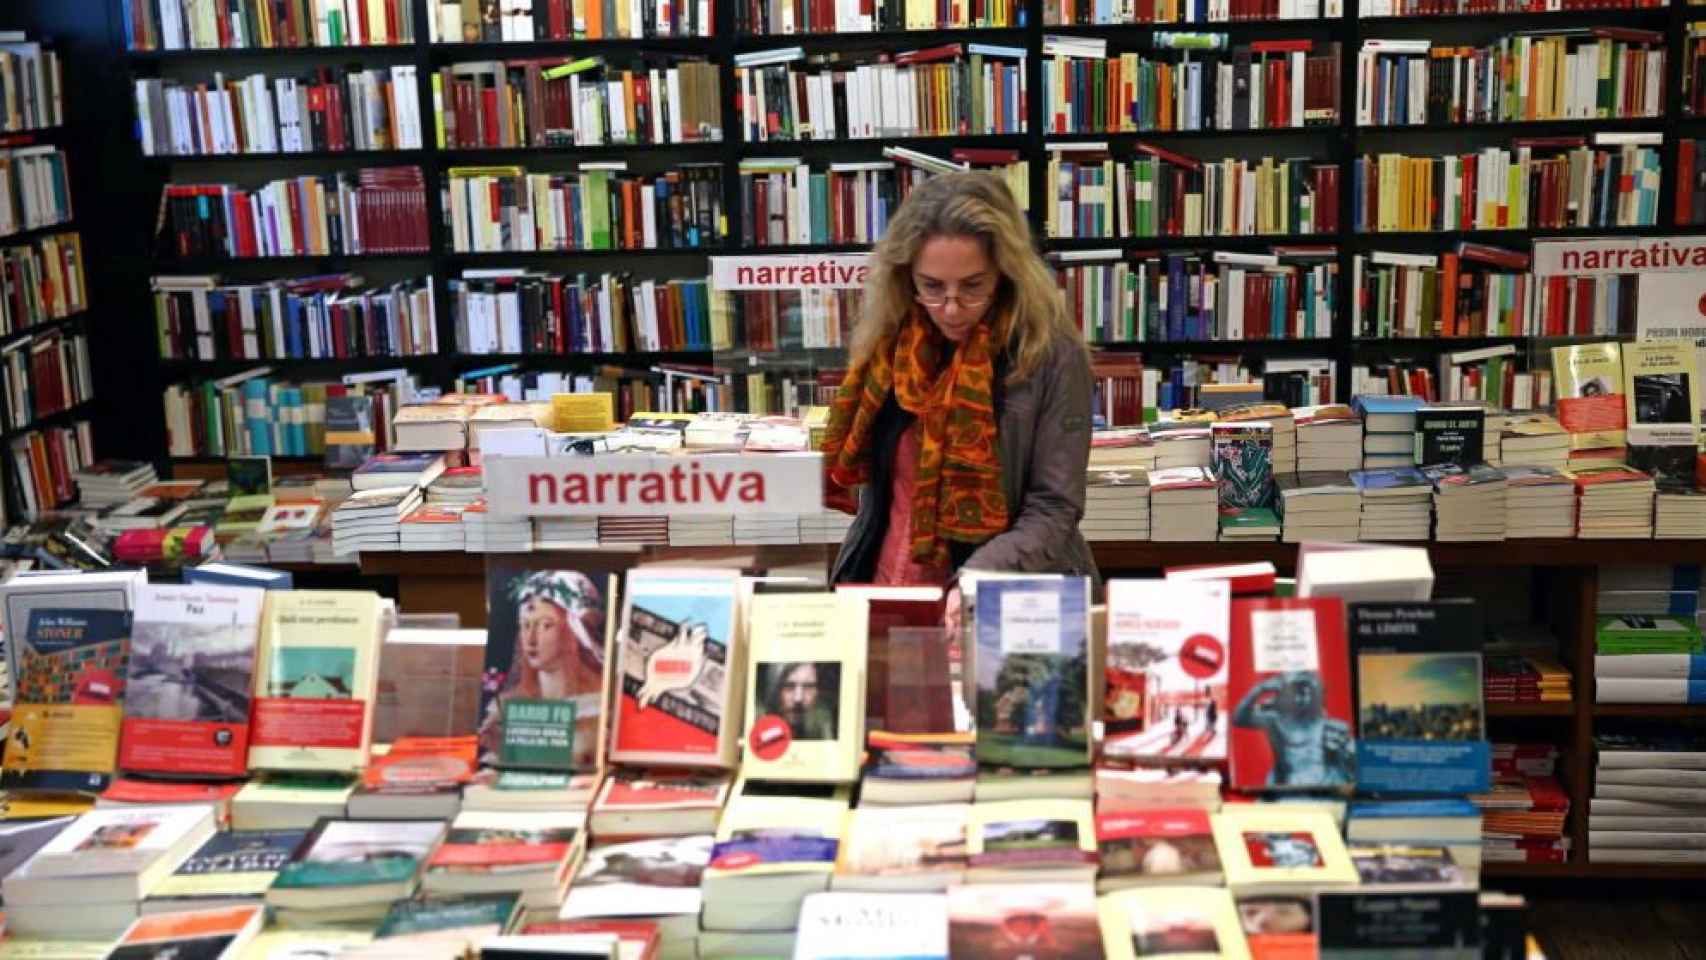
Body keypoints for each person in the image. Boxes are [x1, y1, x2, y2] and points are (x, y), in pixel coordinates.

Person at [823, 171, 1097, 603]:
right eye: (931, 286)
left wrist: (974, 579)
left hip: (1007, 596)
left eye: (973, 286)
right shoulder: (890, 344)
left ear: (1006, 274)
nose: (951, 308)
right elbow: (881, 498)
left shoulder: (1050, 354)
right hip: (887, 586)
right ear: (905, 275)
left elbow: (1054, 509)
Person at [478, 570, 606, 769]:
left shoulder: (598, 704)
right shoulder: (506, 706)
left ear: (573, 632)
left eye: (546, 625)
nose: (531, 639)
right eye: (525, 625)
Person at [1232, 671, 1355, 788]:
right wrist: (1260, 689)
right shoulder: (1274, 721)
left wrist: (1347, 752)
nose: (1302, 700)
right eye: (1296, 693)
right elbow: (1238, 718)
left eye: (1308, 693)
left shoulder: (1331, 726)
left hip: (1325, 786)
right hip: (1290, 787)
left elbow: (1349, 761)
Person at [765, 662, 836, 740]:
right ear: (774, 691)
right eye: (789, 686)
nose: (798, 698)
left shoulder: (823, 725)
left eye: (808, 687)